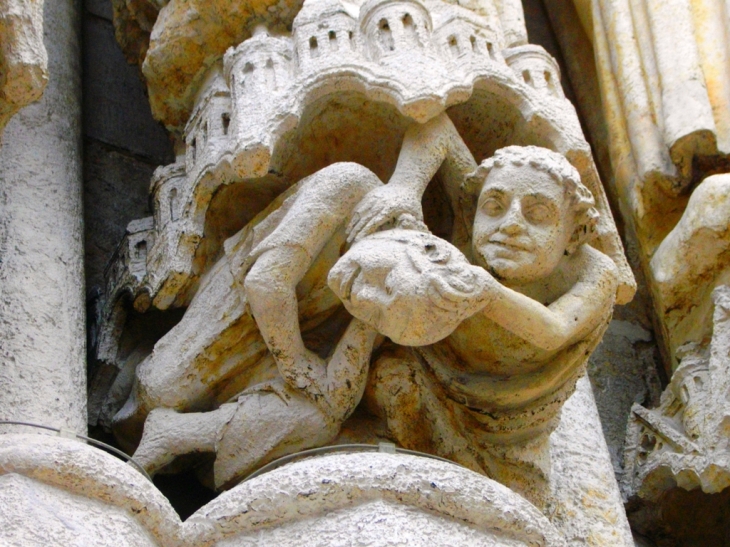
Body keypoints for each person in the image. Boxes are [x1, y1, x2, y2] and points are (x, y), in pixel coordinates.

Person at [346, 145, 619, 505]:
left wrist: (486, 292)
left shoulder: (594, 273)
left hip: (509, 426)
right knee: (389, 382)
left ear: (573, 233)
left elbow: (555, 329)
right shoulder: (469, 216)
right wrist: (405, 188)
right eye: (493, 206)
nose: (510, 224)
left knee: (519, 500)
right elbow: (437, 128)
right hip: (429, 371)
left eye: (538, 214)